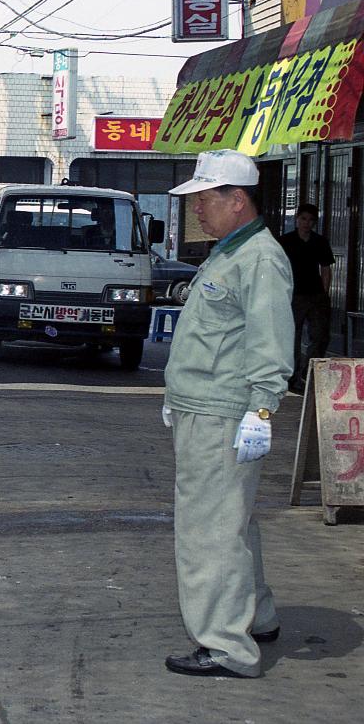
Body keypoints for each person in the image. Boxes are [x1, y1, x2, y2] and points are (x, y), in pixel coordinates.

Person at [161, 149, 294, 679]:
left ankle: (226, 646)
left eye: (204, 199)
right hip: (205, 408)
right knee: (232, 522)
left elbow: (270, 343)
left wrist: (261, 409)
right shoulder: (228, 252)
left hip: (222, 414)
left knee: (209, 531)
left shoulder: (258, 258)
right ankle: (255, 618)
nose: (197, 210)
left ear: (236, 200)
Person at [277, 203, 334, 393]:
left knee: (319, 336)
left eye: (310, 220)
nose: (306, 223)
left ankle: (309, 374)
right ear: (297, 219)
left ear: (314, 222)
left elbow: (326, 268)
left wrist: (324, 293)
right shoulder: (285, 241)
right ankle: (292, 377)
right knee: (292, 336)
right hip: (293, 294)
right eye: (303, 219)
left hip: (315, 294)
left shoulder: (320, 242)